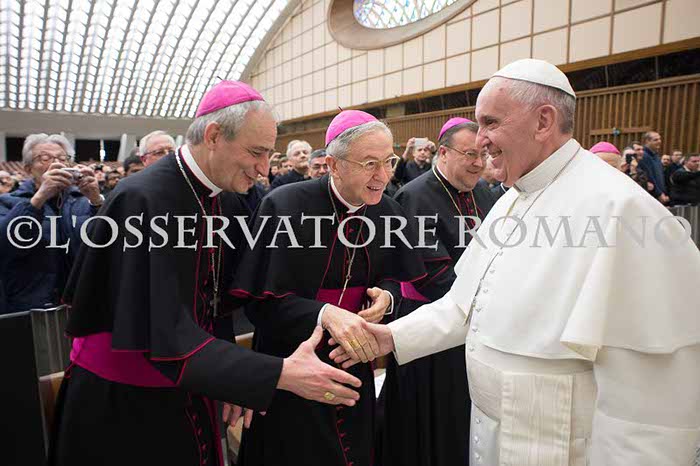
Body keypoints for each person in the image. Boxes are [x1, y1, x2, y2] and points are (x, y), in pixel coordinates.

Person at [331, 59, 700, 465]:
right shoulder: (512, 199)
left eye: (490, 123)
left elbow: (651, 414)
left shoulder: (625, 212)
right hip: (494, 437)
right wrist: (392, 337)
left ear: (543, 121)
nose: (481, 140)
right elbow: (467, 305)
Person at [50, 81, 363, 466]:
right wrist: (274, 373)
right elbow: (160, 330)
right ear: (214, 136)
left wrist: (232, 380)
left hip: (190, 383)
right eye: (256, 152)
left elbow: (213, 303)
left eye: (269, 154)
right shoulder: (142, 198)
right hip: (125, 406)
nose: (264, 169)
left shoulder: (224, 200)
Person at [231, 110, 427, 466]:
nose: (383, 176)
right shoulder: (284, 205)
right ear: (334, 165)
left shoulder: (390, 211)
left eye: (388, 161)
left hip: (355, 360)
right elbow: (259, 303)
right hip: (291, 363)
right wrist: (324, 314)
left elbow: (399, 279)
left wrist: (386, 297)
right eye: (370, 163)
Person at [380, 118, 497, 466]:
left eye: (483, 154)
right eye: (470, 154)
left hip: (475, 321)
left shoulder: (484, 193)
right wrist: (490, 298)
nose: (479, 163)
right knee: (428, 419)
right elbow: (431, 275)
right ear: (443, 153)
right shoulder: (414, 196)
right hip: (427, 323)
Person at [0, 134, 102, 315]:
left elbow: (109, 242)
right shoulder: (7, 202)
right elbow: (5, 246)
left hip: (82, 304)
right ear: (28, 169)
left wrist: (96, 201)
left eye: (63, 158)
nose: (57, 164)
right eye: (45, 158)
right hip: (30, 307)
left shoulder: (82, 200)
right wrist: (40, 197)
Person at [638, 130, 670, 204]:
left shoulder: (656, 156)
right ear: (647, 141)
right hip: (651, 195)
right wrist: (658, 193)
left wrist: (663, 192)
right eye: (655, 140)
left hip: (660, 194)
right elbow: (649, 176)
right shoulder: (644, 156)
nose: (659, 141)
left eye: (660, 139)